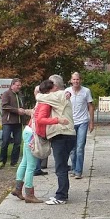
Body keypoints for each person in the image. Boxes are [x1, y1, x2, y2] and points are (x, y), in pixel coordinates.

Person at [14, 78, 68, 203]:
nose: (56, 89)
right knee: (31, 166)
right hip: (33, 133)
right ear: (49, 90)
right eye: (54, 87)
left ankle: (18, 189)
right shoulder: (45, 103)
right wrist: (57, 120)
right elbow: (40, 120)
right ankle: (29, 194)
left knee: (25, 162)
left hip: (28, 130)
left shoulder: (41, 100)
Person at [35, 74, 75, 205]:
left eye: (50, 85)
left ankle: (61, 196)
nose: (48, 87)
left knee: (60, 167)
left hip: (62, 134)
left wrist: (39, 92)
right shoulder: (61, 95)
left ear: (55, 87)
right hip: (66, 135)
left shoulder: (58, 95)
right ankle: (62, 193)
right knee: (61, 165)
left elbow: (39, 95)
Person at [0, 78, 31, 169]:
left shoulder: (20, 95)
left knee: (18, 142)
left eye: (20, 85)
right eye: (17, 85)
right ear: (12, 85)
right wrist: (16, 110)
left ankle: (14, 162)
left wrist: (24, 119)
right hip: (8, 122)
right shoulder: (6, 94)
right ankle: (2, 161)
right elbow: (4, 106)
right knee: (5, 141)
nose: (19, 87)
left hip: (18, 123)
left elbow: (22, 107)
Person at [67, 71, 94, 180]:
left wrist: (91, 122)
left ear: (80, 80)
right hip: (71, 122)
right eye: (74, 79)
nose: (76, 81)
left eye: (77, 79)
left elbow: (90, 107)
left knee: (79, 147)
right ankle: (73, 168)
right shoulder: (67, 92)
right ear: (71, 80)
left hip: (83, 121)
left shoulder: (86, 91)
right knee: (72, 148)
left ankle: (78, 171)